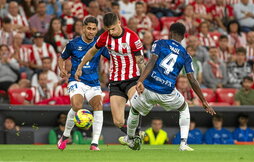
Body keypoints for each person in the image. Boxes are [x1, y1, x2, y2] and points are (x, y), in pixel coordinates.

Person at [120, 22, 216, 151]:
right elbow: (192, 79)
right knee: (183, 108)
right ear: (183, 36)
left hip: (148, 88)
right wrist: (204, 101)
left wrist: (140, 81)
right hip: (167, 92)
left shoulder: (160, 43)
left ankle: (130, 138)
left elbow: (152, 61)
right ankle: (183, 144)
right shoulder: (185, 55)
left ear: (170, 33)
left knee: (135, 110)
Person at [75, 12, 146, 137]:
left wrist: (143, 80)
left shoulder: (132, 37)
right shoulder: (104, 37)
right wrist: (80, 66)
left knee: (136, 104)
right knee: (118, 122)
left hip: (132, 79)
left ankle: (136, 134)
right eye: (108, 30)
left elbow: (140, 60)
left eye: (113, 29)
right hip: (115, 82)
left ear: (119, 22)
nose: (111, 32)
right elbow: (92, 52)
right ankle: (133, 135)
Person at [57, 16, 110, 151]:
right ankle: (65, 136)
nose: (91, 31)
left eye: (94, 29)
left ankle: (94, 143)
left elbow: (112, 57)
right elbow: (61, 58)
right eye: (89, 28)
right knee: (76, 105)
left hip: (93, 82)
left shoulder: (100, 44)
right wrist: (62, 69)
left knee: (98, 105)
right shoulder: (73, 44)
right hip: (77, 80)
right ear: (83, 28)